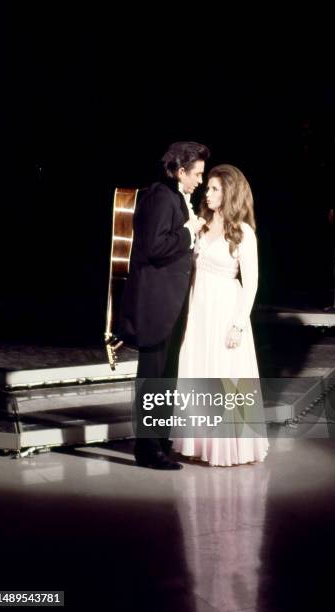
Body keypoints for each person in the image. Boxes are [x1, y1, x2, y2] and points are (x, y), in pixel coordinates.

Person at [116, 141, 210, 469]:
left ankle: (160, 441)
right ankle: (147, 449)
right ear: (180, 170)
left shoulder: (176, 198)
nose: (200, 179)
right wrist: (189, 231)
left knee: (166, 377)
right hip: (156, 305)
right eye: (196, 173)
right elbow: (155, 247)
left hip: (171, 303)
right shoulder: (160, 196)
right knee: (153, 379)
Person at [173, 164, 269, 466]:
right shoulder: (200, 223)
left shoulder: (243, 232)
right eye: (208, 187)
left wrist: (238, 325)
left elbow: (251, 283)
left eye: (215, 188)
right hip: (199, 310)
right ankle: (198, 443)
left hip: (225, 310)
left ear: (229, 193)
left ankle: (227, 446)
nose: (208, 192)